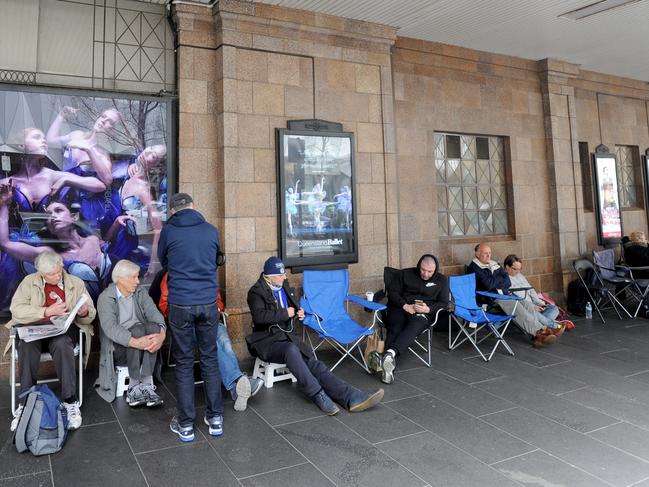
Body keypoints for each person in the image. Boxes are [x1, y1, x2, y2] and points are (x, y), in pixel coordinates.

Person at [247, 256, 384, 415]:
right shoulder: (256, 291)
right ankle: (317, 394)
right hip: (266, 341)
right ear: (268, 276)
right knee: (291, 349)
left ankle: (350, 396)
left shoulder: (282, 285)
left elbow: (291, 306)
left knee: (314, 363)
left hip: (286, 337)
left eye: (284, 273)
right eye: (280, 275)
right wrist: (284, 313)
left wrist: (299, 312)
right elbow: (259, 317)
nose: (285, 277)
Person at [157, 192, 223, 442]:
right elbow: (217, 259)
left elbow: (163, 261)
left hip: (181, 303)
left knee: (184, 362)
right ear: (193, 207)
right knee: (209, 358)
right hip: (208, 302)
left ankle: (186, 424)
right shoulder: (211, 230)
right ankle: (215, 418)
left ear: (173, 211)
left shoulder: (169, 231)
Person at [6, 251, 95, 432]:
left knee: (62, 344)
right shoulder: (29, 282)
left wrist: (85, 313)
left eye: (57, 272)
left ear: (61, 266)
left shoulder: (75, 283)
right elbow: (16, 310)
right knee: (26, 346)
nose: (55, 276)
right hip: (34, 331)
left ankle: (70, 401)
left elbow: (90, 315)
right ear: (41, 273)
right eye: (50, 275)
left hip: (61, 332)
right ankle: (25, 403)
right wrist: (46, 312)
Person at [157, 271, 264, 412]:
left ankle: (236, 387)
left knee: (224, 341)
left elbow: (217, 298)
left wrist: (217, 308)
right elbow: (164, 304)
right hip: (187, 325)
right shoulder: (172, 275)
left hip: (209, 320)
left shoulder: (205, 272)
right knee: (212, 344)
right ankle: (237, 383)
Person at [0, 193, 131, 301]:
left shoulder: (93, 240)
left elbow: (108, 243)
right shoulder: (49, 254)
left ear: (73, 217)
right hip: (79, 316)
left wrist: (116, 223)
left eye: (58, 211)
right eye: (48, 215)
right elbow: (5, 244)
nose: (52, 217)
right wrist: (4, 204)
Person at [95, 260, 166, 407]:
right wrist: (134, 341)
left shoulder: (140, 292)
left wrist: (162, 334)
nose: (137, 281)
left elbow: (154, 313)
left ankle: (146, 384)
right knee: (137, 330)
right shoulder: (106, 298)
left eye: (137, 276)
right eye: (133, 277)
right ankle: (133, 387)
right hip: (120, 348)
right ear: (120, 279)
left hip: (143, 342)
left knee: (154, 327)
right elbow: (110, 328)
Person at [468, 243, 559, 348]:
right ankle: (539, 331)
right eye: (485, 253)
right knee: (516, 306)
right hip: (489, 299)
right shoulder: (474, 267)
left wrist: (497, 278)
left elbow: (507, 282)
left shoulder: (493, 264)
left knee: (527, 304)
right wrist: (499, 277)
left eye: (490, 253)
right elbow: (488, 284)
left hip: (503, 295)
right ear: (477, 254)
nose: (489, 256)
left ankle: (536, 337)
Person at [381, 254, 448, 384]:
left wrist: (428, 309)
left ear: (435, 270)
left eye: (430, 272)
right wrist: (405, 305)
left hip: (423, 312)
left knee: (417, 323)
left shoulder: (441, 280)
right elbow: (392, 293)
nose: (426, 274)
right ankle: (388, 367)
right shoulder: (405, 274)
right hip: (401, 307)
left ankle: (390, 353)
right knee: (395, 327)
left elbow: (444, 303)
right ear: (419, 265)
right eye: (423, 270)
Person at [503, 254, 572, 331]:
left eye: (520, 269)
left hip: (534, 305)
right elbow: (517, 298)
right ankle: (557, 326)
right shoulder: (504, 279)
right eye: (515, 269)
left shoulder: (520, 276)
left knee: (554, 308)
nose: (518, 272)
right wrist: (532, 307)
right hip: (524, 308)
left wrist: (541, 304)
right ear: (507, 267)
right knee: (533, 313)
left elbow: (531, 290)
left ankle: (543, 325)